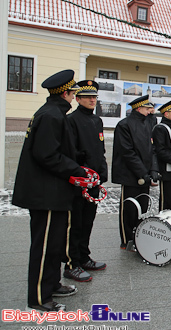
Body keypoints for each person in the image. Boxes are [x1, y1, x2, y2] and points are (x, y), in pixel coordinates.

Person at [13, 69, 87, 312]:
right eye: (73, 92)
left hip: (54, 192)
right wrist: (76, 169)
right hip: (44, 193)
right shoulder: (51, 115)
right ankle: (38, 298)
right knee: (44, 247)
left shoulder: (55, 113)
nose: (74, 96)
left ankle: (52, 283)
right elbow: (47, 155)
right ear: (65, 93)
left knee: (55, 243)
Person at [64, 80, 108, 283]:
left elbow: (101, 149)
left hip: (94, 182)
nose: (92, 100)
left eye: (95, 97)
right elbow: (70, 152)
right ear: (78, 98)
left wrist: (102, 171)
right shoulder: (71, 120)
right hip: (78, 181)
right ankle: (72, 264)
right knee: (76, 223)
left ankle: (84, 257)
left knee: (88, 221)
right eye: (88, 97)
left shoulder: (97, 121)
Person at [113, 95, 159, 250]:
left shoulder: (147, 123)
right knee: (129, 209)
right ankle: (126, 240)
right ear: (139, 109)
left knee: (142, 208)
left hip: (144, 174)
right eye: (147, 109)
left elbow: (152, 149)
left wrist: (153, 170)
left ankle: (138, 236)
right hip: (130, 174)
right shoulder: (124, 125)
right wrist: (142, 173)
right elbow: (127, 152)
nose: (150, 111)